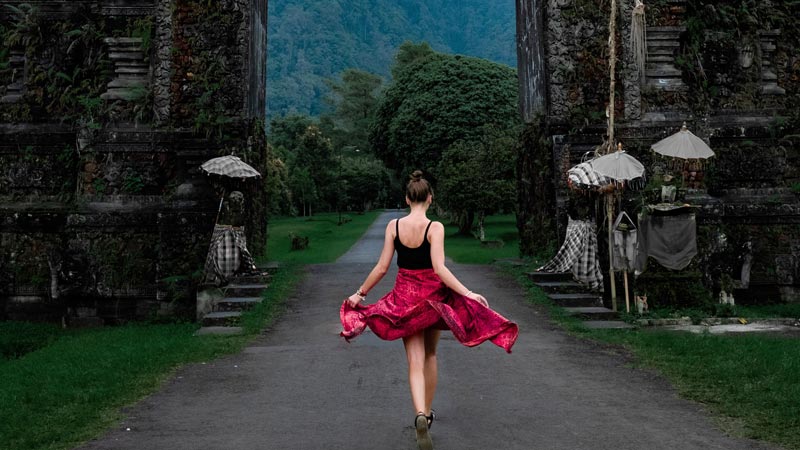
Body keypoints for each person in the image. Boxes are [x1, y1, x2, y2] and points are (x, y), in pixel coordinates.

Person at [340, 170, 518, 450]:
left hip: (404, 300)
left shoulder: (393, 227)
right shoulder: (435, 228)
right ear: (430, 199)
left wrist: (359, 294)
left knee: (414, 361)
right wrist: (468, 293)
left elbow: (382, 267)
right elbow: (439, 269)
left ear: (407, 199)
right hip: (433, 301)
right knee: (431, 355)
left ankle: (420, 414)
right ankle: (428, 415)